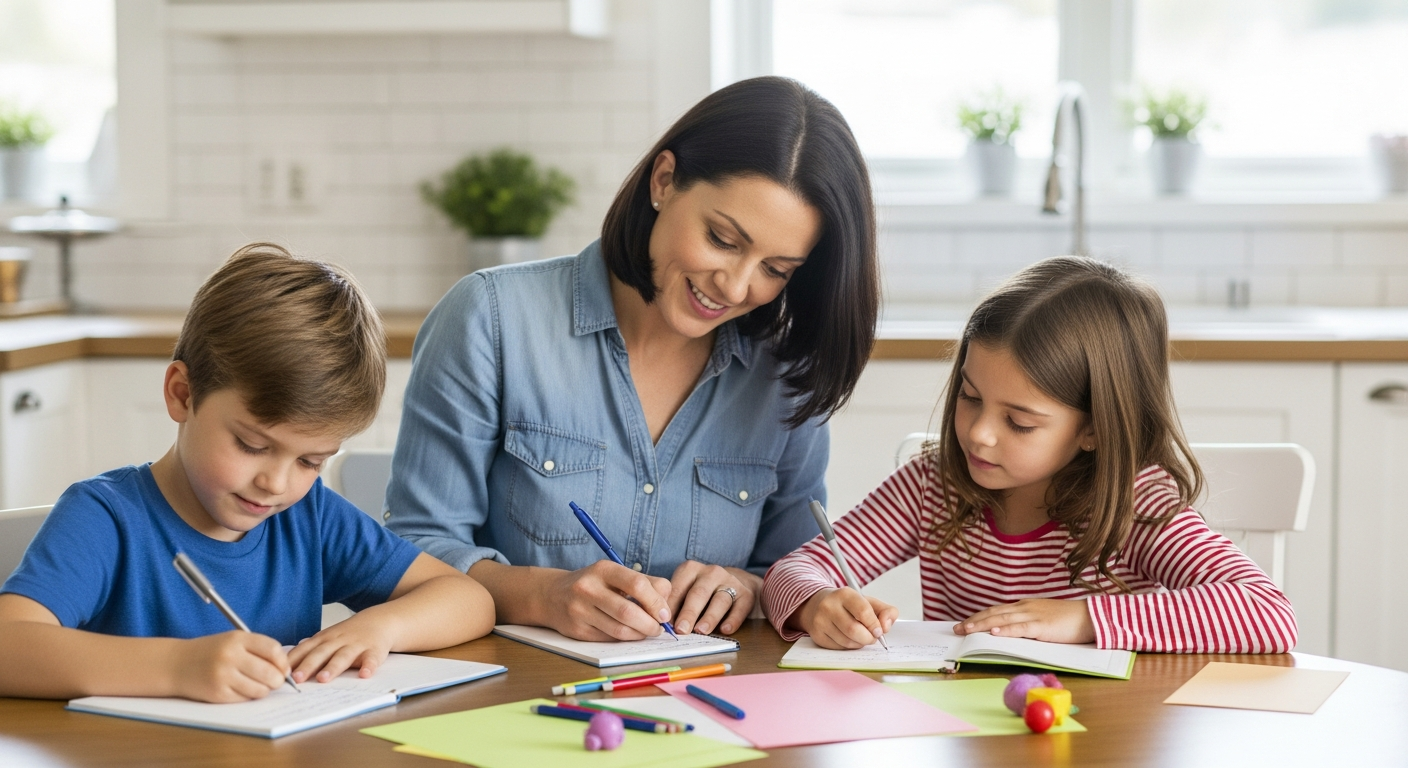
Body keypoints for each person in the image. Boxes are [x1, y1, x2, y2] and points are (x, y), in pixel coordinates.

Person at [387, 76, 880, 642]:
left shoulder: (785, 375)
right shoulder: (491, 319)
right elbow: (413, 550)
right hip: (517, 696)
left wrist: (750, 587)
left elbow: (795, 569)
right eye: (722, 239)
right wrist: (542, 596)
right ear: (664, 181)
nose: (737, 286)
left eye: (776, 270)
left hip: (712, 701)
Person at [0, 244, 495, 703]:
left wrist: (378, 628)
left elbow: (467, 598)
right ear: (182, 394)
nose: (276, 484)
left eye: (310, 461)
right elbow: (8, 646)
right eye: (252, 445)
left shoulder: (309, 516)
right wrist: (177, 667)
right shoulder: (105, 519)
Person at [762, 256, 1298, 653]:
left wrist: (1083, 619)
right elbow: (796, 567)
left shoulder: (1136, 506)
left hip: (1101, 737)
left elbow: (1267, 612)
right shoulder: (934, 484)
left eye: (1019, 422)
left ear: (1093, 429)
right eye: (970, 398)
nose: (979, 435)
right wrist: (815, 604)